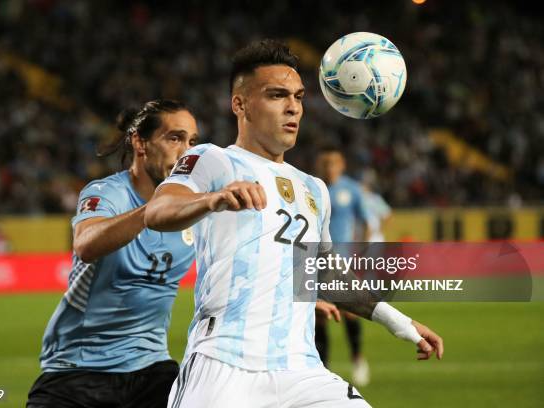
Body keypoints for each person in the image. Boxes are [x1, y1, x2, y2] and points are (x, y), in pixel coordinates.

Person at [145, 39, 443, 408]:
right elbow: (158, 212)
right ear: (240, 104)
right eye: (276, 95)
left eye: (299, 97)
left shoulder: (314, 189)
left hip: (302, 370)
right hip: (225, 363)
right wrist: (214, 199)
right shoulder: (212, 160)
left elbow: (325, 275)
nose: (293, 108)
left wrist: (398, 321)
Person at [26, 99, 199, 408]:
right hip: (78, 370)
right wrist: (154, 211)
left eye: (192, 141)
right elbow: (86, 244)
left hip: (152, 369)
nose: (186, 151)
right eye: (175, 138)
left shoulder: (195, 206)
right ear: (140, 143)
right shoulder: (107, 193)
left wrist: (314, 286)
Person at [315, 147, 372, 386]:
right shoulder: (314, 188)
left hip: (345, 259)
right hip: (318, 260)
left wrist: (361, 252)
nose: (330, 168)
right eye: (326, 163)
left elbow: (366, 222)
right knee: (320, 315)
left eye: (334, 163)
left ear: (342, 165)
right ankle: (323, 370)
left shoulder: (351, 189)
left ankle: (357, 359)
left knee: (350, 311)